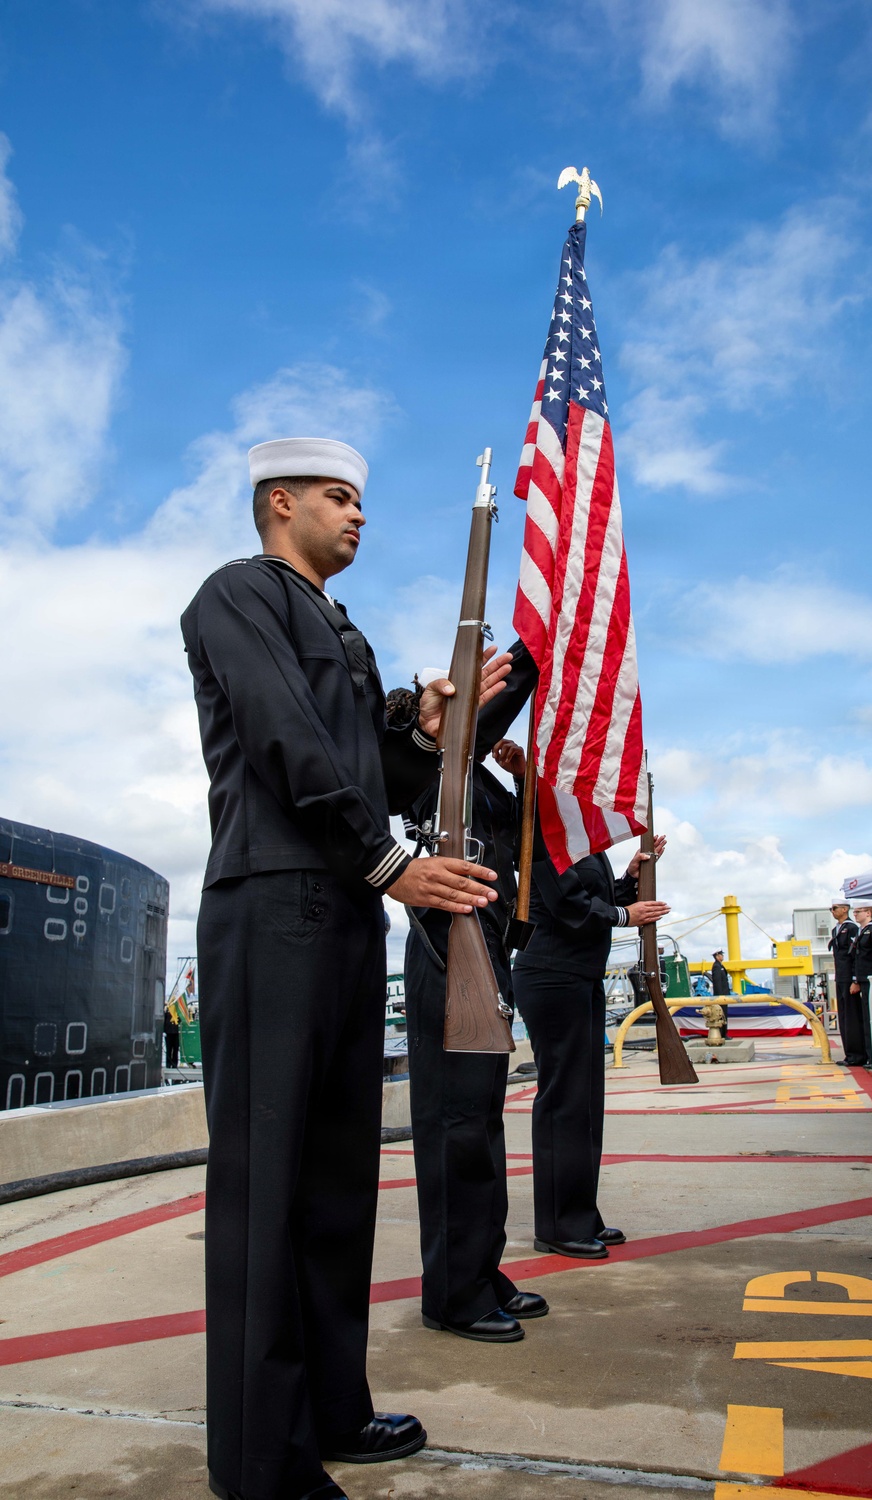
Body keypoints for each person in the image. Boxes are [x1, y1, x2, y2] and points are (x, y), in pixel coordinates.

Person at [181, 437, 511, 1500]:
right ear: (280, 503)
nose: (357, 513)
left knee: (334, 1187)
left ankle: (333, 1406)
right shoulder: (238, 595)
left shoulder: (344, 631)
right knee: (266, 1192)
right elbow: (285, 741)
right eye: (338, 496)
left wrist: (420, 730)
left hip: (338, 918)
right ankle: (261, 1463)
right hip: (269, 905)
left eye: (360, 497)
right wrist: (391, 861)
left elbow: (375, 775)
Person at [401, 641, 542, 1347]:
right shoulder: (431, 765)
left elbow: (528, 834)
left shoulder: (476, 777)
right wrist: (535, 649)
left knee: (483, 1119)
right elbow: (466, 729)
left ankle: (482, 1269)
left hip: (485, 946)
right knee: (455, 1124)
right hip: (444, 946)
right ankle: (452, 1291)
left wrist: (524, 773)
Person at [512, 832, 667, 1259]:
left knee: (584, 1103)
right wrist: (624, 914)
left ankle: (579, 1214)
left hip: (581, 974)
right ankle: (559, 1225)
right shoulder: (544, 833)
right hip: (552, 973)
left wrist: (628, 878)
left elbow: (592, 896)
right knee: (564, 1101)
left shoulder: (584, 842)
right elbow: (567, 905)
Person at [827, 901, 860, 1063]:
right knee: (844, 1017)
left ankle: (856, 1054)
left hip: (849, 978)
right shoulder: (836, 930)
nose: (832, 911)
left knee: (852, 1016)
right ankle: (849, 1053)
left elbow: (854, 955)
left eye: (834, 908)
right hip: (840, 977)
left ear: (844, 909)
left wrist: (855, 978)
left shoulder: (852, 928)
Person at [847, 903, 872, 1068]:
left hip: (870, 978)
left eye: (858, 912)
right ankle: (869, 1056)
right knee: (866, 1019)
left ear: (868, 912)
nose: (856, 914)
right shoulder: (861, 932)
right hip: (862, 979)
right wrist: (856, 979)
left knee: (871, 1018)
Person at [710, 948, 731, 1038]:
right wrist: (720, 996)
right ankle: (722, 1034)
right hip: (721, 996)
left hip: (724, 995)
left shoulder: (720, 966)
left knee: (724, 1015)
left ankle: (724, 1033)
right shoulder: (716, 967)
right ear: (717, 956)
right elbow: (717, 983)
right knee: (721, 1015)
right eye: (721, 955)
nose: (722, 956)